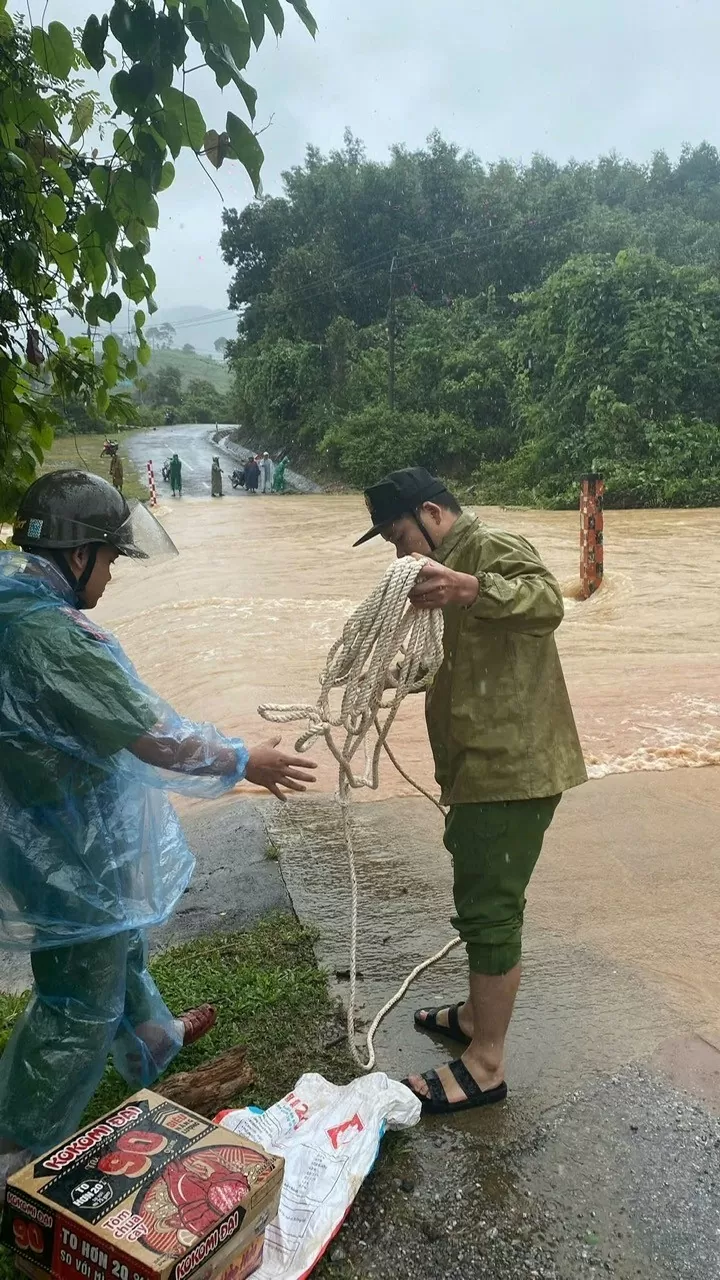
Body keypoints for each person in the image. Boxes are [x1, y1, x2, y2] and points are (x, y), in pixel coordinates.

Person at [0, 470, 317, 1186]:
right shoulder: (50, 637)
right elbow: (155, 741)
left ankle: (150, 1037)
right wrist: (245, 759)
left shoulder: (15, 604)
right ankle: (14, 1147)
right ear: (77, 554)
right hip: (64, 839)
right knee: (77, 1000)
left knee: (119, 937)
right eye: (109, 559)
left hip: (59, 828)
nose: (112, 575)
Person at [353, 466, 586, 1115]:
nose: (400, 554)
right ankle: (475, 1016)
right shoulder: (440, 579)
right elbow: (460, 659)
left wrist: (471, 586)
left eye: (401, 536)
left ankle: (485, 1064)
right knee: (478, 892)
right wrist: (401, 676)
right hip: (476, 768)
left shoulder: (490, 550)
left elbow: (548, 603)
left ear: (433, 512)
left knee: (489, 912)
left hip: (512, 768)